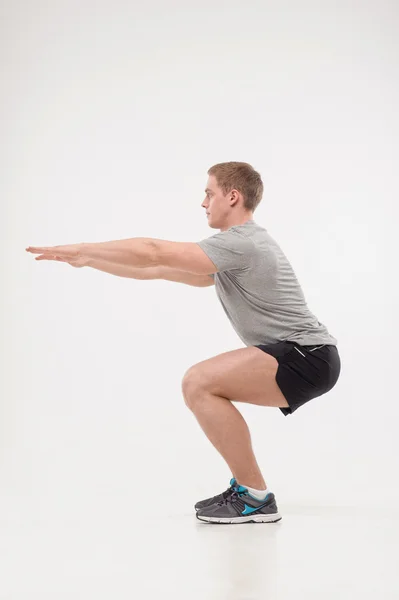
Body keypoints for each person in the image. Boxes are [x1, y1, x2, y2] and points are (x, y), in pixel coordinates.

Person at [26, 161, 341, 525]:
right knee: (201, 385)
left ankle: (253, 497)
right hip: (306, 357)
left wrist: (84, 246)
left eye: (209, 193)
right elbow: (156, 269)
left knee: (199, 382)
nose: (203, 202)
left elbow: (153, 251)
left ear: (233, 196)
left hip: (307, 356)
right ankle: (248, 490)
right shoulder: (234, 252)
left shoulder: (242, 244)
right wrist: (89, 260)